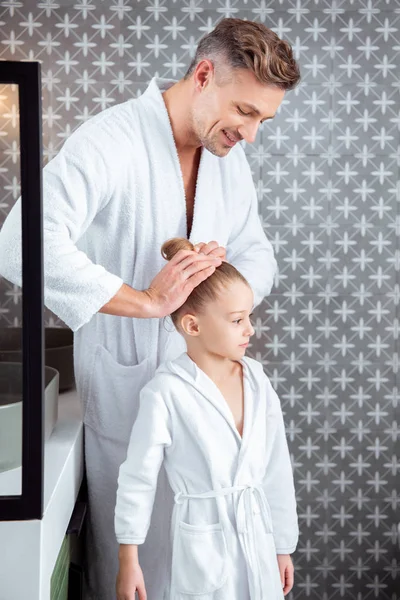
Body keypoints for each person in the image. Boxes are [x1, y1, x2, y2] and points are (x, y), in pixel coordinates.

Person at [0, 17, 300, 600]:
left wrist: (223, 286)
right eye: (245, 111)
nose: (252, 134)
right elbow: (19, 242)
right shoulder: (111, 140)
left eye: (262, 119)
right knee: (139, 567)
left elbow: (257, 251)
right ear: (204, 73)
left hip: (211, 393)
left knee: (216, 567)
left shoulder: (227, 158)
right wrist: (147, 302)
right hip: (130, 394)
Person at [115, 237, 299, 600]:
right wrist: (128, 559)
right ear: (193, 326)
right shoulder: (166, 392)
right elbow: (138, 479)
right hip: (203, 543)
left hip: (258, 537)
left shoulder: (258, 381)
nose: (250, 329)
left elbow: (277, 467)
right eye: (237, 320)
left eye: (249, 317)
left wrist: (282, 545)